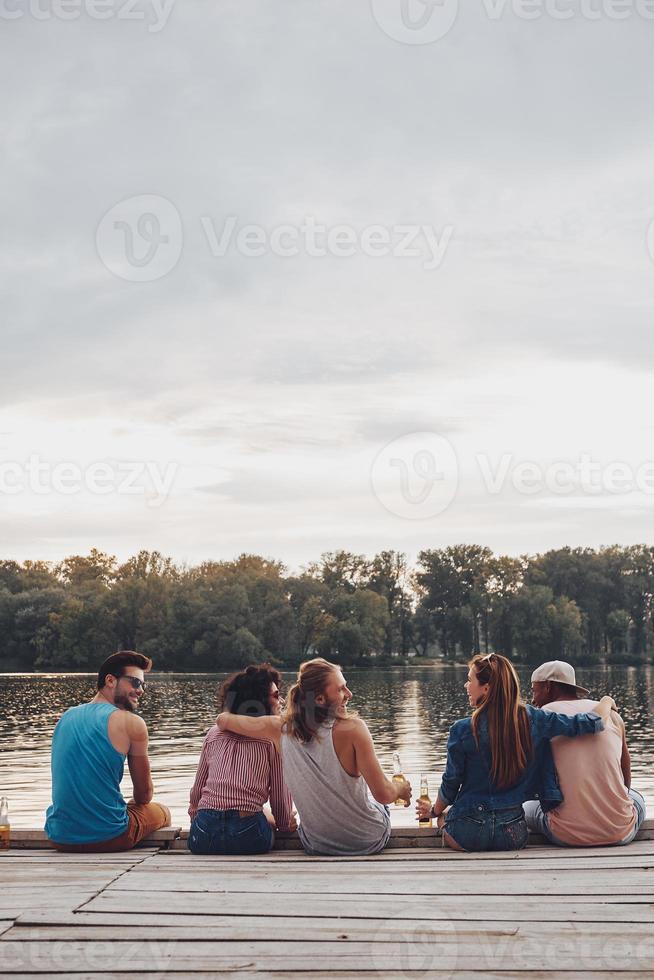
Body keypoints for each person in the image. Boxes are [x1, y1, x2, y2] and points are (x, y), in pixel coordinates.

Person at [416, 653, 616, 852]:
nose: (466, 686)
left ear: (487, 688)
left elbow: (451, 783)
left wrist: (435, 811)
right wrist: (606, 700)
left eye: (470, 680)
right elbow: (592, 723)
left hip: (468, 833)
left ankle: (445, 822)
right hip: (512, 834)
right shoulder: (535, 719)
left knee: (445, 817)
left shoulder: (461, 729)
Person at [217, 657, 411, 856]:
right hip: (367, 841)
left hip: (317, 845)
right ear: (319, 699)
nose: (349, 694)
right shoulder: (355, 729)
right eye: (341, 689)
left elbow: (222, 720)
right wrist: (401, 789)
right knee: (377, 802)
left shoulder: (279, 728)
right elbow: (384, 794)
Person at [45, 651, 170, 852]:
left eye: (143, 685)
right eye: (135, 683)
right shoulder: (132, 723)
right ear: (110, 680)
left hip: (60, 836)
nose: (141, 691)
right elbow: (144, 796)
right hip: (111, 837)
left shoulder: (65, 718)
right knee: (162, 812)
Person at [523, 660, 647, 847]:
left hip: (566, 834)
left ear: (548, 687)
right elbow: (625, 777)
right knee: (636, 797)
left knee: (527, 806)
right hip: (621, 832)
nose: (533, 700)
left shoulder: (543, 717)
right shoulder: (611, 714)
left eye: (534, 690)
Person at [188, 664, 296, 854]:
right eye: (275, 695)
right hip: (248, 835)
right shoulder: (272, 739)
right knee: (261, 816)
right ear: (259, 699)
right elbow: (280, 797)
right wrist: (286, 824)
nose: (280, 700)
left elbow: (197, 791)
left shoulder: (213, 734)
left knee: (258, 812)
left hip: (203, 834)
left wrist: (196, 818)